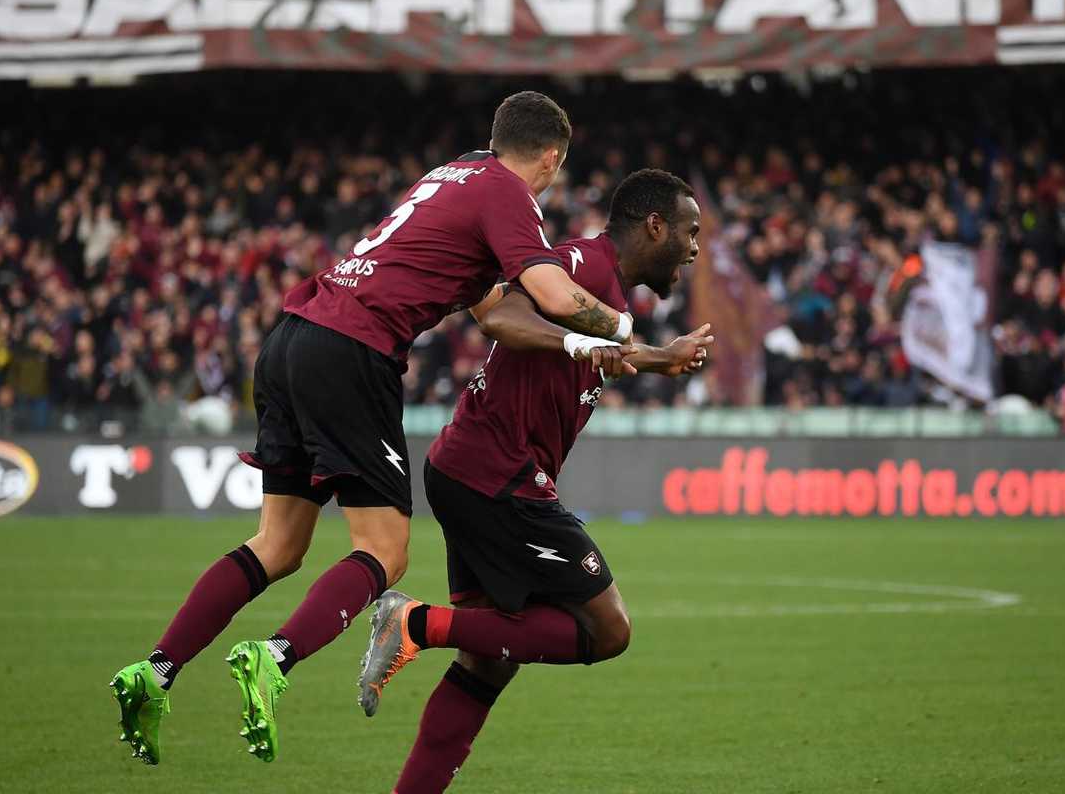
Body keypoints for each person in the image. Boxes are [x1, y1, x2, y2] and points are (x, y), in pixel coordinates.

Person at [110, 92, 643, 765]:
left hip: (292, 337)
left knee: (278, 543)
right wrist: (630, 336)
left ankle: (156, 669)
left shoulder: (450, 177)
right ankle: (273, 657)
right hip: (352, 350)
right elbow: (556, 295)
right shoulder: (508, 191)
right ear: (551, 158)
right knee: (386, 551)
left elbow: (488, 311)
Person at [357, 169, 711, 794]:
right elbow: (502, 319)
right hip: (498, 474)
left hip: (469, 469)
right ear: (654, 225)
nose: (694, 247)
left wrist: (659, 358)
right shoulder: (579, 262)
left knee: (490, 662)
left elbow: (594, 349)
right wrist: (583, 344)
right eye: (690, 232)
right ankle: (414, 624)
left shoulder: (610, 299)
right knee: (609, 631)